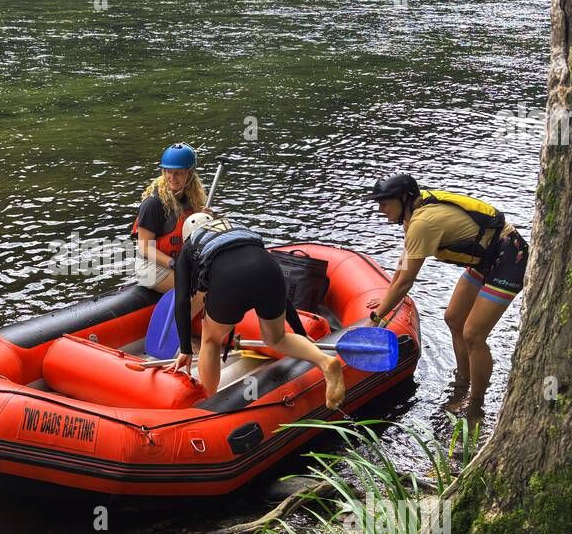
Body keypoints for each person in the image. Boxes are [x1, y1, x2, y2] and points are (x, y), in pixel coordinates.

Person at [369, 174, 528, 425]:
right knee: (453, 318)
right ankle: (462, 385)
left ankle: (476, 407)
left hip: (508, 256)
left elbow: (406, 282)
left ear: (404, 198)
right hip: (485, 258)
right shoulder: (412, 218)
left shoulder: (422, 223)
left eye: (385, 203)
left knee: (474, 334)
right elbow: (401, 269)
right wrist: (382, 307)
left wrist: (377, 318)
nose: (380, 210)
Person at [165, 212, 346, 408]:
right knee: (276, 338)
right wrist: (301, 333)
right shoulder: (237, 229)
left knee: (211, 340)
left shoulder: (189, 247)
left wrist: (185, 349)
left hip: (230, 280)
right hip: (269, 270)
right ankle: (325, 361)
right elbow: (283, 298)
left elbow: (182, 300)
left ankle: (211, 403)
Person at [132, 143, 207, 292]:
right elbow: (144, 247)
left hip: (179, 261)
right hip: (150, 266)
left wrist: (206, 220)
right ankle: (182, 315)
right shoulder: (152, 204)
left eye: (178, 173)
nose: (172, 178)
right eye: (168, 172)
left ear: (189, 174)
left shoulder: (192, 200)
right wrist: (173, 264)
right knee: (197, 288)